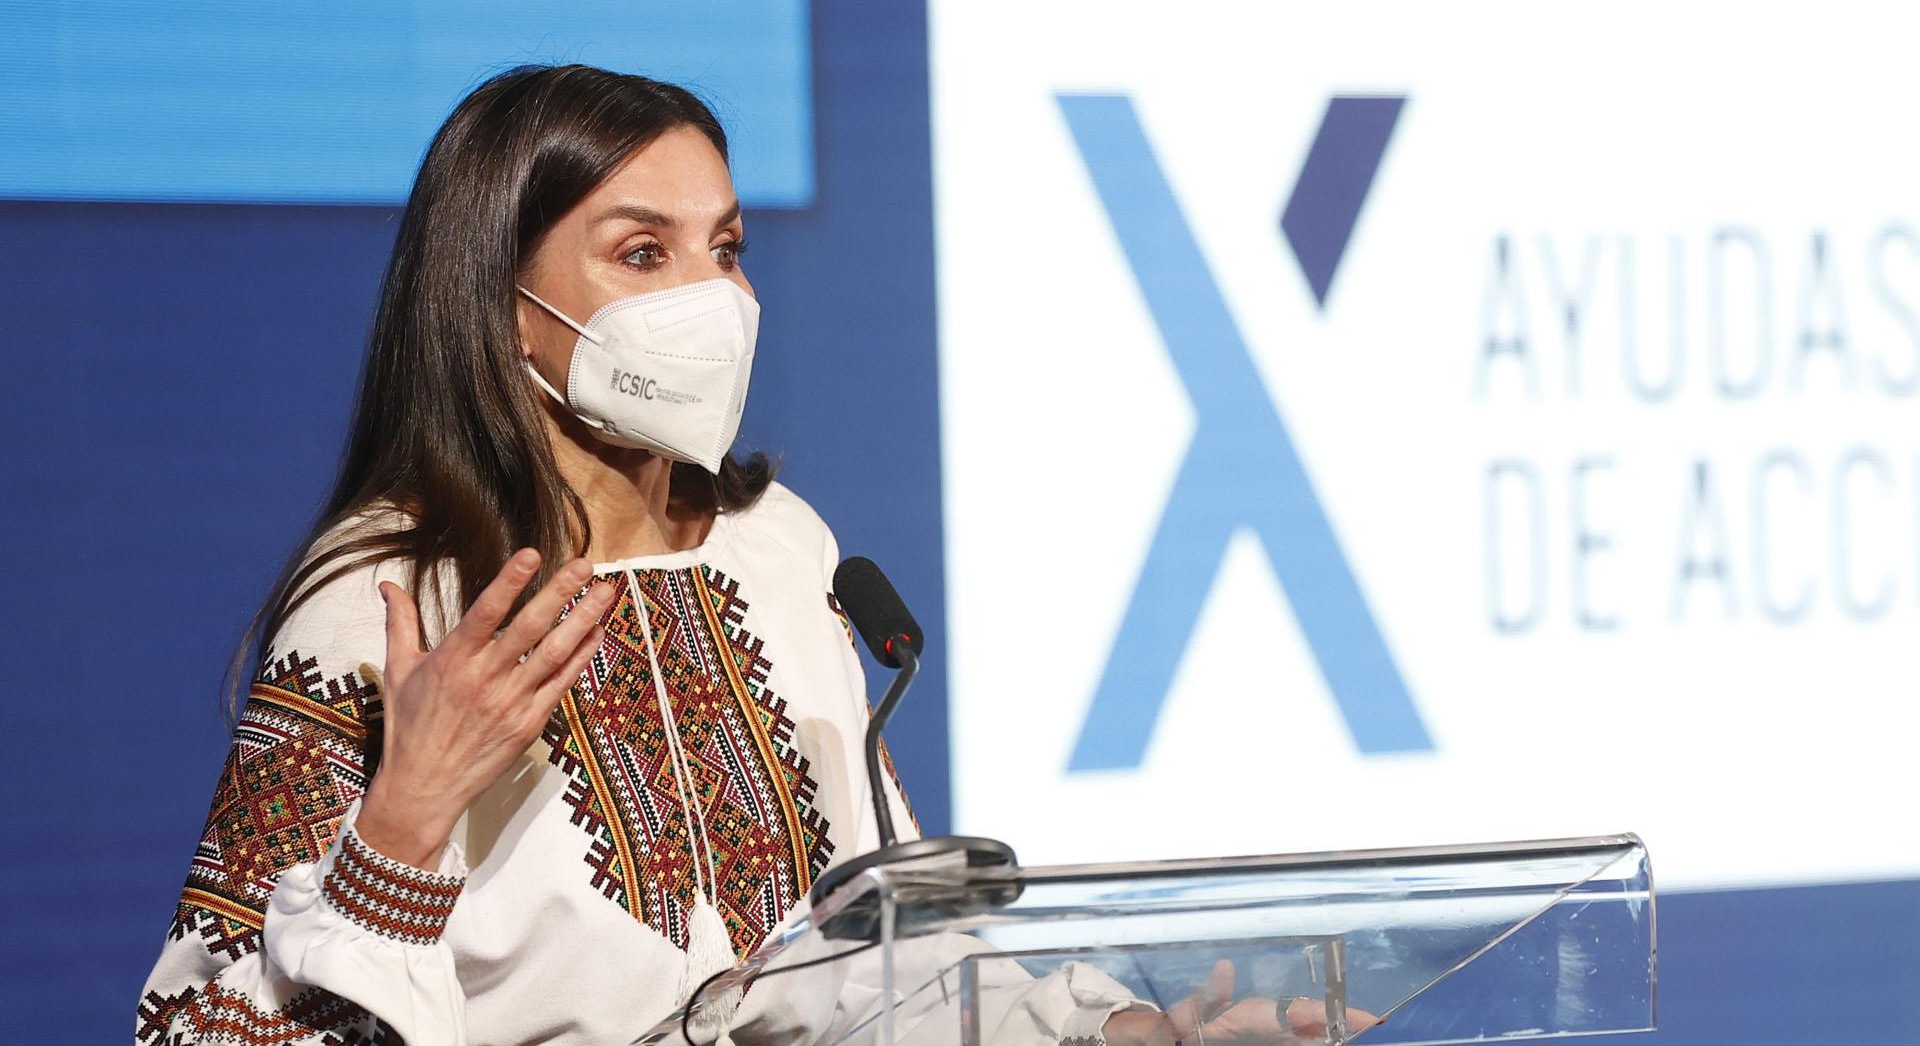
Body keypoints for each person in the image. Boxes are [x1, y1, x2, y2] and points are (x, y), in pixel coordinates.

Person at [134, 63, 1354, 1046]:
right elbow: (197, 1033)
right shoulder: (388, 602)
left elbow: (890, 955)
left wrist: (1128, 1033)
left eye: (725, 247)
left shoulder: (780, 549)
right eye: (642, 253)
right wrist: (400, 828)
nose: (712, 297)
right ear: (499, 301)